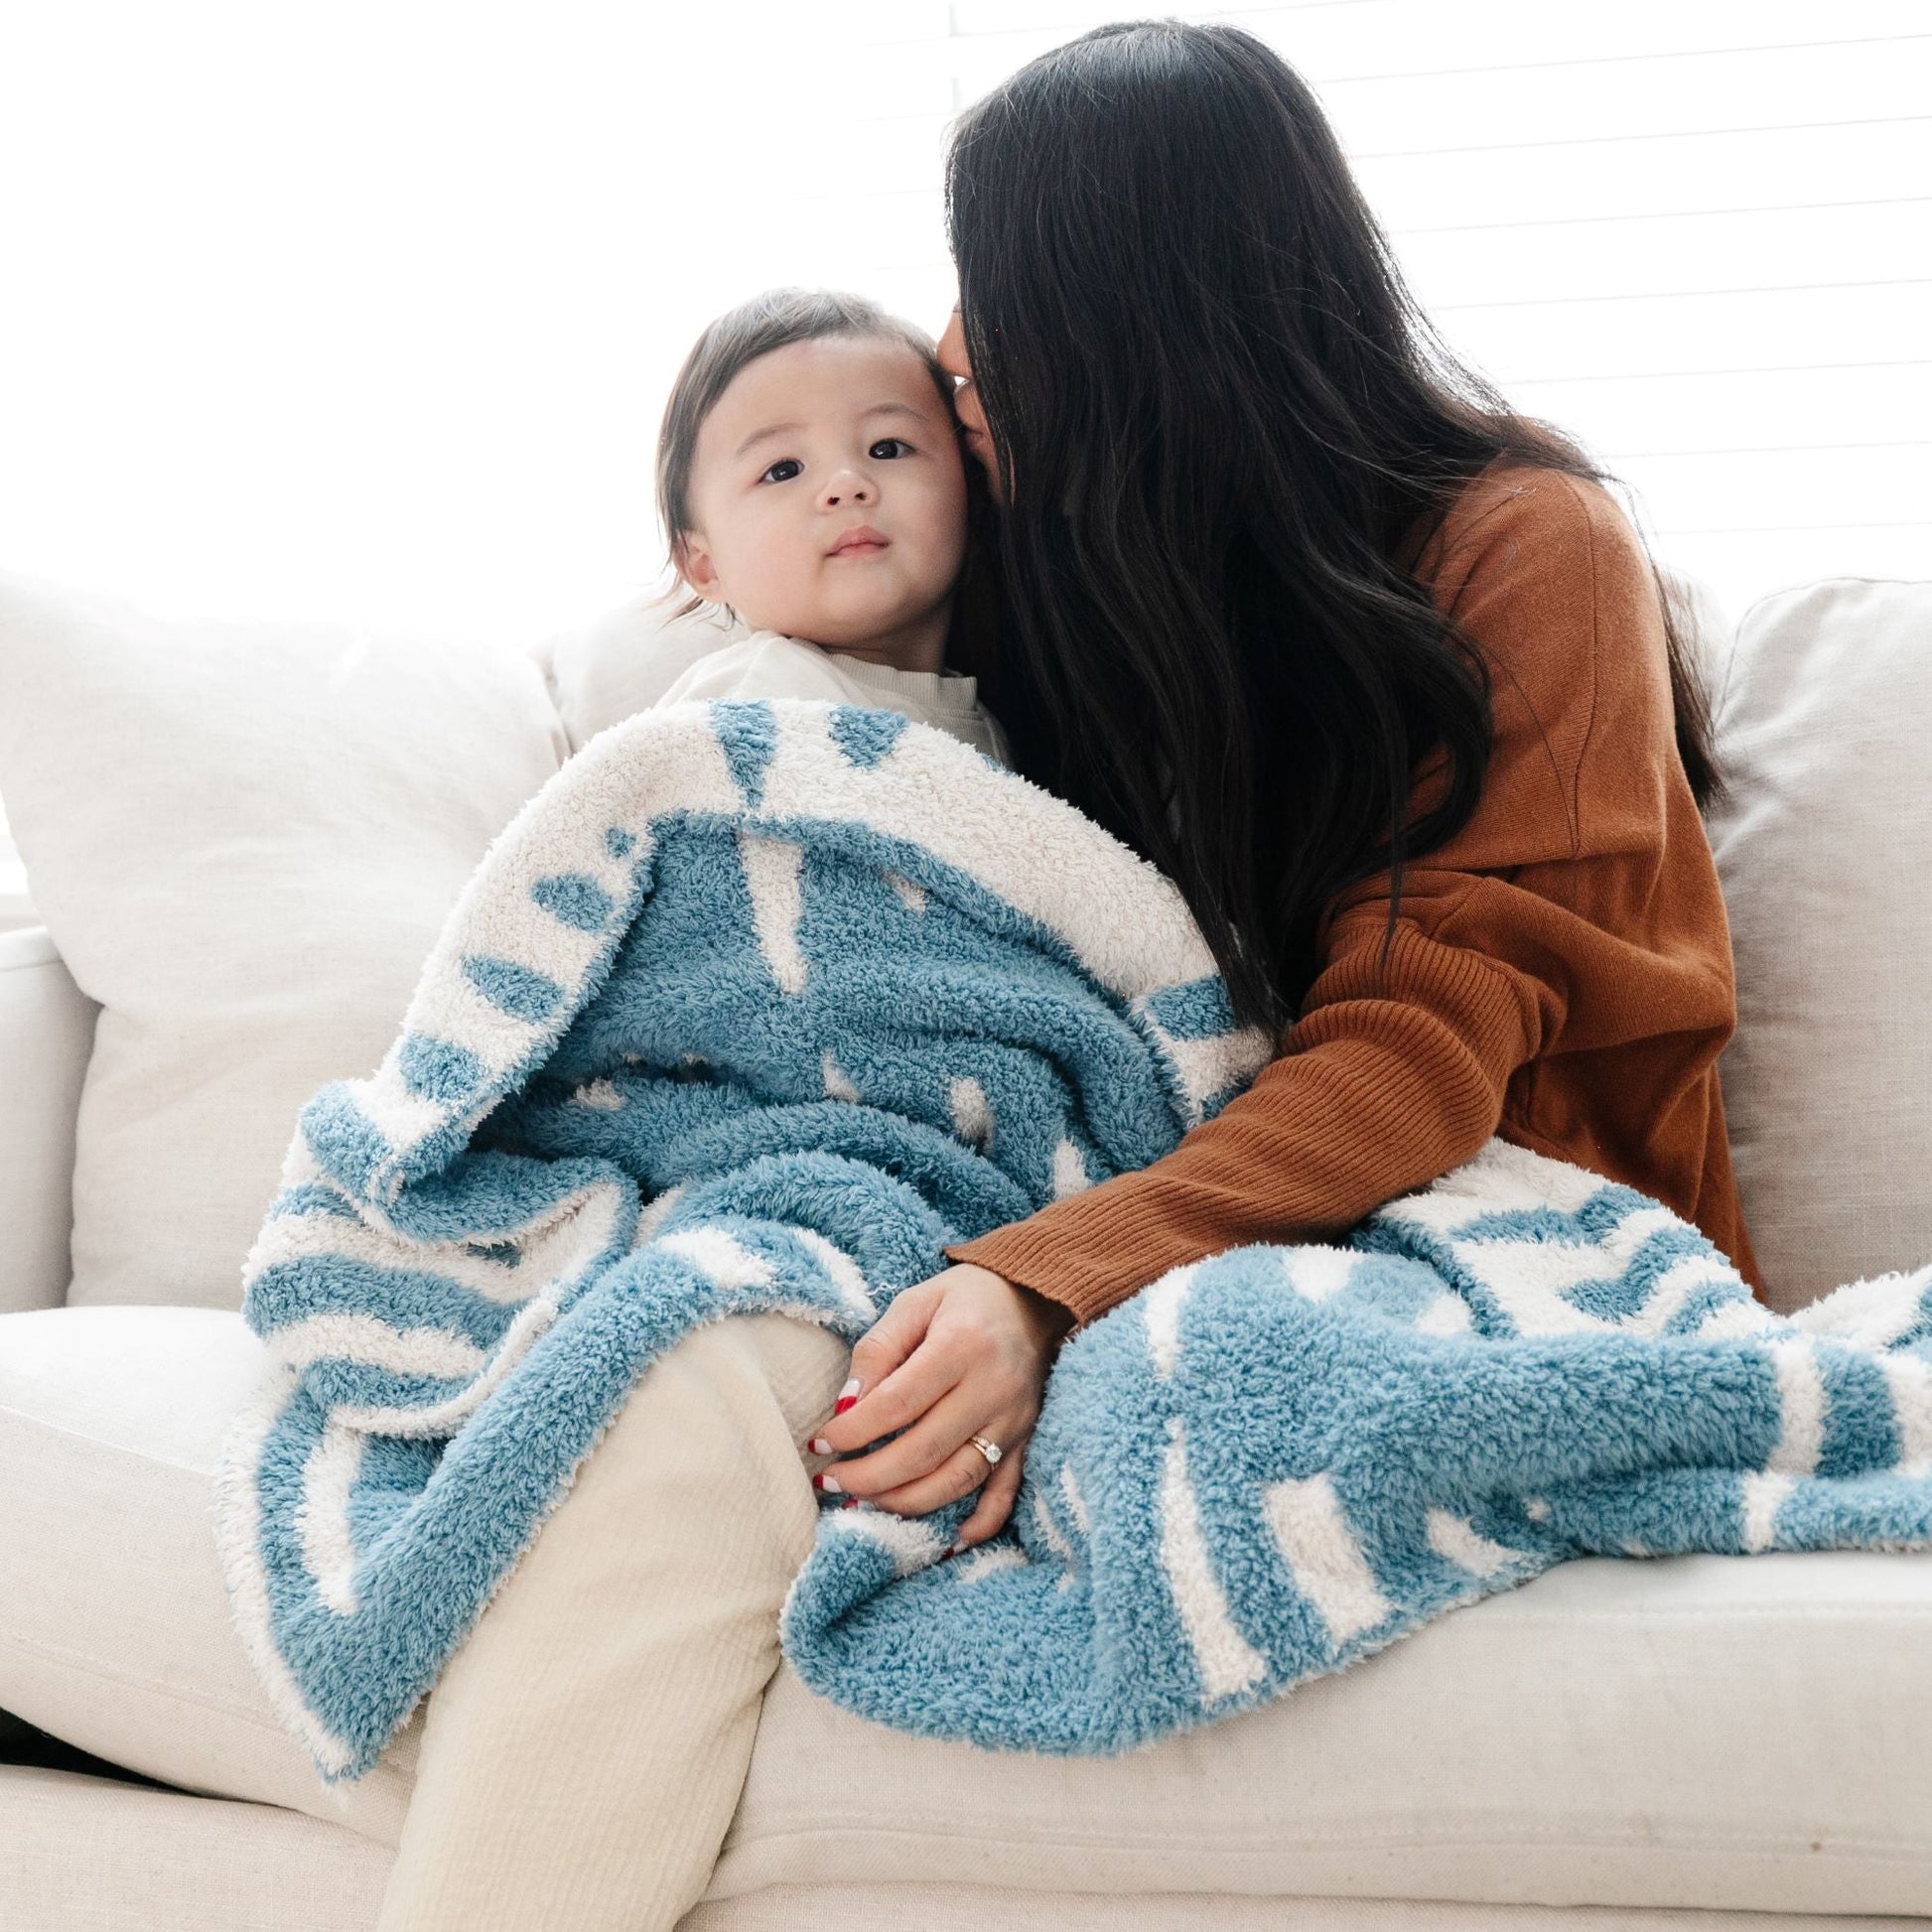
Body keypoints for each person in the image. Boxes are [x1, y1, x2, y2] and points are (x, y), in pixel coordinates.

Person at [374, 21, 1761, 1930]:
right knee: (718, 1347)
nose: (956, 349)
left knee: (1142, 1395)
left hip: (1495, 1208)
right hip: (1157, 1185)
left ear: (1135, 312)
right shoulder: (1098, 552)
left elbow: (1425, 1045)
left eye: (994, 296)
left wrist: (1044, 1280)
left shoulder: (1526, 545)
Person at [649, 287, 1010, 766]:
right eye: (783, 470)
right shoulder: (747, 708)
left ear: (970, 485)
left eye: (887, 448)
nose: (846, 485)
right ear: (704, 564)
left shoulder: (989, 719)